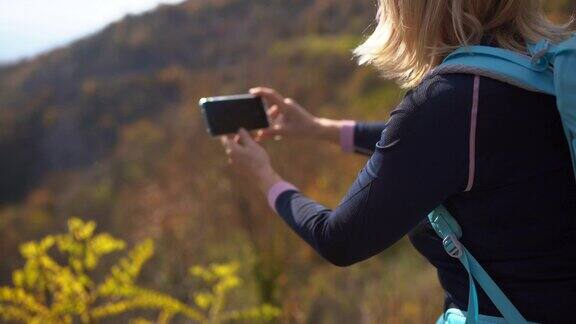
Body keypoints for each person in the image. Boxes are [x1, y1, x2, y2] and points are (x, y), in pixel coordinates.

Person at [220, 0, 576, 322]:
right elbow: (432, 152)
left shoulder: (448, 103)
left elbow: (338, 240)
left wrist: (265, 177)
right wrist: (320, 129)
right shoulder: (545, 71)